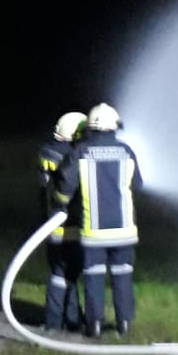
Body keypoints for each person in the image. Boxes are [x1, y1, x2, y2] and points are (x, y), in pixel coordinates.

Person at [51, 102, 143, 339]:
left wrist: (60, 204)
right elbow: (138, 185)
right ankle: (124, 324)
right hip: (124, 231)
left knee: (93, 277)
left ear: (90, 128)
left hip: (94, 232)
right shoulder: (127, 151)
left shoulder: (80, 152)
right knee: (122, 276)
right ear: (114, 127)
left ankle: (94, 325)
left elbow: (65, 185)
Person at [38, 111, 85, 332]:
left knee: (63, 274)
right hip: (74, 225)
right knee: (66, 274)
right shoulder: (76, 155)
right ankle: (61, 322)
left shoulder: (48, 152)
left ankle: (65, 321)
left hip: (53, 224)